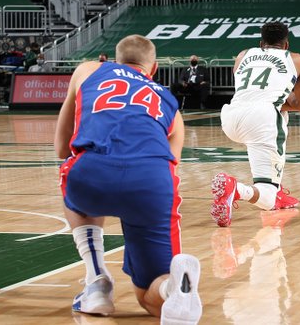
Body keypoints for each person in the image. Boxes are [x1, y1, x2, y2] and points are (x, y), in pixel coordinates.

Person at [55, 35, 201, 323]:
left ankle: (97, 280)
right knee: (150, 299)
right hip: (153, 183)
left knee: (70, 170)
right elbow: (171, 162)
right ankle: (171, 288)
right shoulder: (170, 103)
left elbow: (61, 147)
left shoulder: (88, 70)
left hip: (94, 174)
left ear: (113, 60)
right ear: (154, 68)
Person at [211, 22, 300, 228]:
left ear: (261, 43)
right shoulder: (297, 60)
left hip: (230, 116)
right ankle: (237, 189)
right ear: (286, 45)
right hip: (262, 120)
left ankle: (276, 189)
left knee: (277, 111)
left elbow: (260, 95)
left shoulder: (243, 55)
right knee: (266, 196)